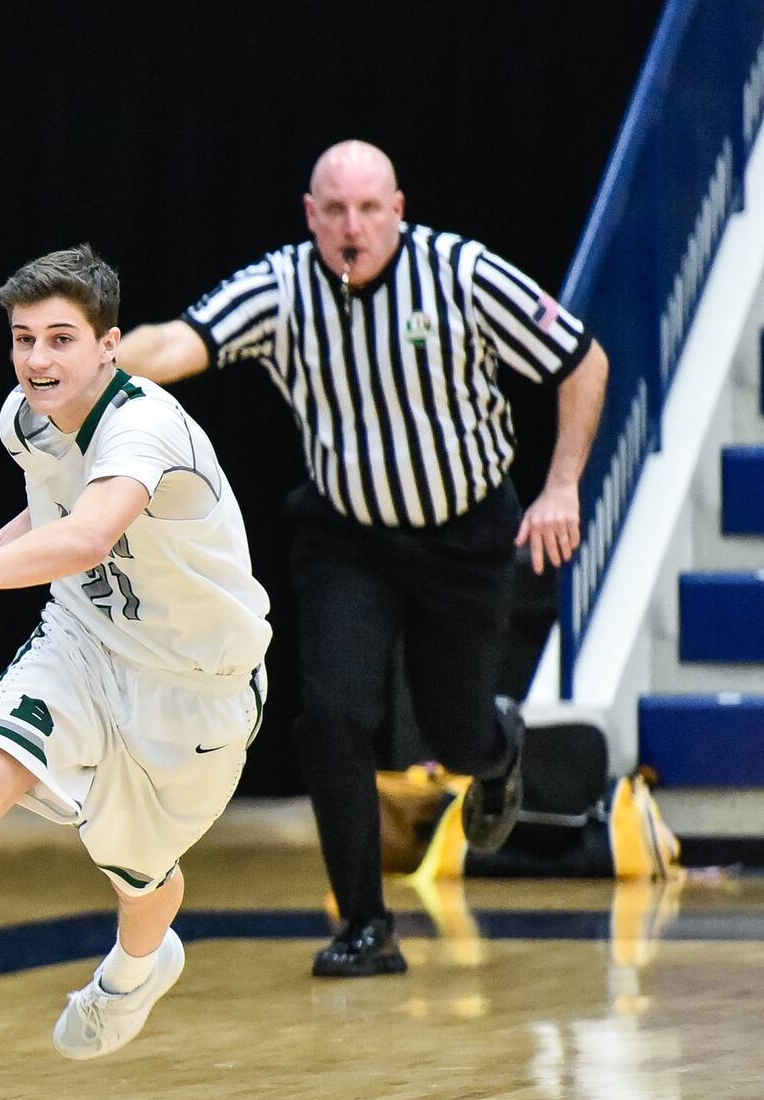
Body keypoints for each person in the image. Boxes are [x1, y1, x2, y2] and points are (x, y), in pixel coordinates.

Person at [116, 141, 610, 977]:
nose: (353, 228)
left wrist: (561, 485)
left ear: (399, 209)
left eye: (370, 210)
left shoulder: (461, 272)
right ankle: (365, 922)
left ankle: (497, 751)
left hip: (463, 535)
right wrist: (83, 366)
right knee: (333, 713)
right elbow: (179, 344)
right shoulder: (281, 286)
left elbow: (580, 359)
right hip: (348, 535)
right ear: (311, 214)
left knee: (453, 728)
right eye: (335, 211)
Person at [0, 246, 270, 1100]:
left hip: (197, 686)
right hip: (81, 642)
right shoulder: (24, 418)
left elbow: (86, 538)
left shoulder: (144, 423)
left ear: (109, 346)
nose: (38, 360)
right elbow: (55, 511)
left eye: (61, 340)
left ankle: (138, 966)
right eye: (23, 338)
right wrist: (9, 543)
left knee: (140, 874)